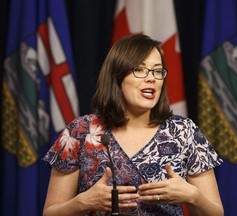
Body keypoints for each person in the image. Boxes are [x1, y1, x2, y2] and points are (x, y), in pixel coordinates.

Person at [42, 34, 224, 216]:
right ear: (117, 76)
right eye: (140, 69)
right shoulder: (79, 132)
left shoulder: (184, 132)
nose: (151, 78)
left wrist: (192, 195)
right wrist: (83, 202)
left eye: (157, 71)